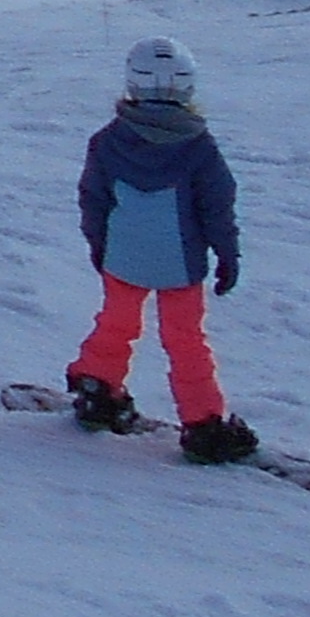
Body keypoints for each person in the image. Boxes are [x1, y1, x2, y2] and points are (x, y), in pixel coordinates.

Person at [69, 33, 257, 462]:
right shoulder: (198, 148)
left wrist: (99, 246)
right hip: (179, 267)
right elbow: (217, 207)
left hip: (123, 259)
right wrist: (227, 254)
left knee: (116, 324)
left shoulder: (107, 141)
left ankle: (98, 390)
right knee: (185, 340)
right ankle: (204, 425)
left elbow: (94, 200)